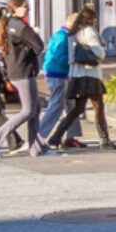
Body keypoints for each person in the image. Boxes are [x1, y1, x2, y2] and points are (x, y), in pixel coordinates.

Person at [44, 7, 113, 151]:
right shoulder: (89, 31)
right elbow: (99, 54)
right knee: (98, 107)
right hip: (90, 74)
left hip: (77, 75)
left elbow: (71, 56)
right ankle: (104, 140)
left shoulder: (71, 34)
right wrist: (101, 47)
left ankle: (56, 136)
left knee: (77, 108)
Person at [0, 0, 50, 157]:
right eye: (24, 7)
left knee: (35, 109)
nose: (27, 9)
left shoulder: (7, 25)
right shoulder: (20, 26)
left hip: (15, 70)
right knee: (28, 111)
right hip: (23, 71)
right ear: (15, 8)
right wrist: (29, 50)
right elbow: (39, 45)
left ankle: (36, 148)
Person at [38, 11, 82, 147]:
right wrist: (76, 59)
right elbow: (60, 56)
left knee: (71, 105)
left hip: (62, 74)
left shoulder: (66, 36)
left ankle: (70, 136)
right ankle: (39, 135)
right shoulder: (62, 37)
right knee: (56, 105)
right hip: (57, 74)